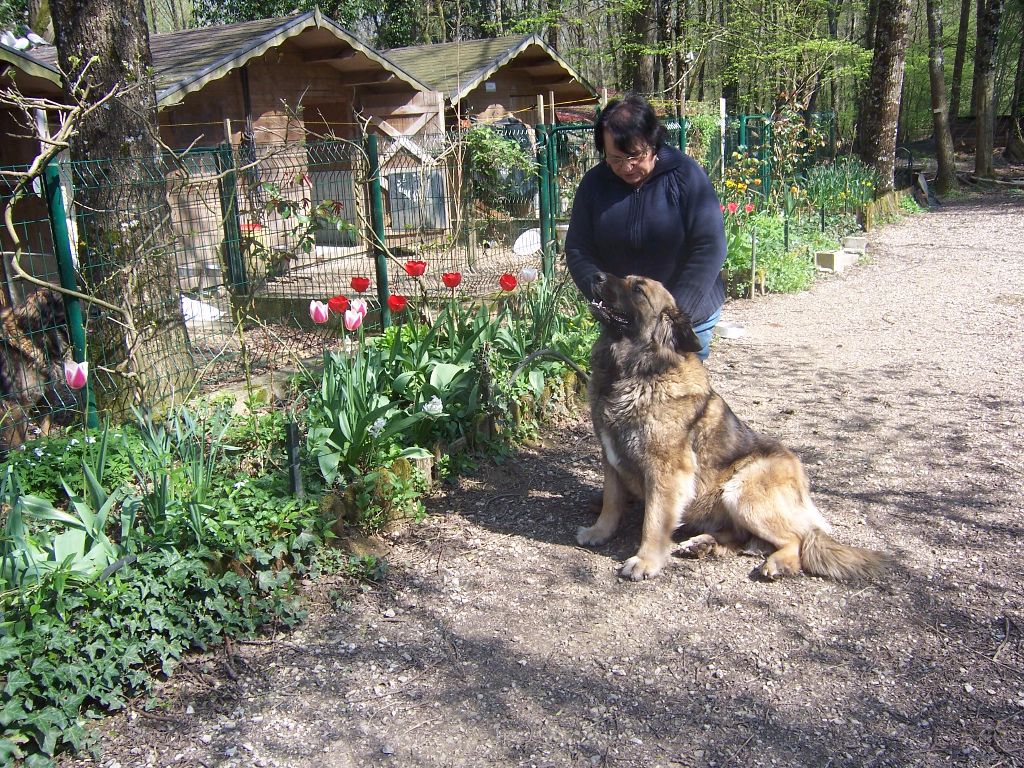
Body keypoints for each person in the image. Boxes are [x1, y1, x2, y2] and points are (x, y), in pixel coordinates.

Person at [565, 93, 727, 360]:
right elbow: (578, 248)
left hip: (685, 318)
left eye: (635, 156)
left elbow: (710, 247)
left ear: (653, 142)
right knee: (627, 396)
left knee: (678, 397)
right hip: (624, 319)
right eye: (615, 159)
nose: (627, 167)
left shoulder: (686, 176)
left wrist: (672, 316)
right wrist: (600, 292)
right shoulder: (594, 185)